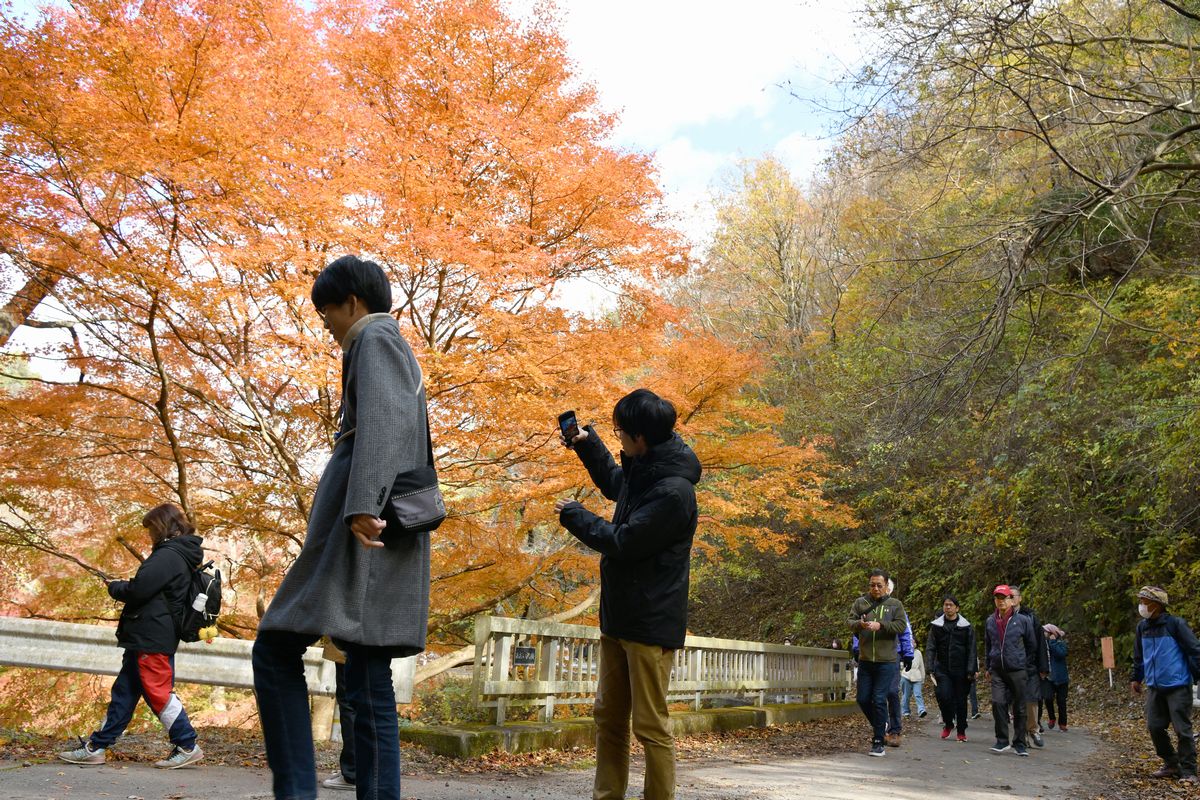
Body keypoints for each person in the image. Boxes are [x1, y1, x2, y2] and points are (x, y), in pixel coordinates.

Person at [252, 255, 431, 800]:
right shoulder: (393, 346)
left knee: (275, 649)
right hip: (375, 538)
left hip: (361, 537)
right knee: (369, 679)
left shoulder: (374, 339)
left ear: (352, 302)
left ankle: (297, 792)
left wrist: (362, 505)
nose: (325, 321)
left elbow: (382, 424)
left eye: (326, 309)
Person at [556, 388, 701, 800]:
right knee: (609, 718)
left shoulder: (674, 492)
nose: (617, 437)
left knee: (650, 725)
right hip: (619, 618)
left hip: (650, 624)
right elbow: (616, 485)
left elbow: (623, 541)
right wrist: (589, 444)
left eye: (620, 432)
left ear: (641, 437)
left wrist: (575, 515)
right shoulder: (646, 467)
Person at [58, 503, 205, 769]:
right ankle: (97, 746)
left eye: (151, 529)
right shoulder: (180, 554)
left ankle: (187, 744)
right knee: (124, 693)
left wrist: (115, 587)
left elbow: (139, 590)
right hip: (147, 636)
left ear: (162, 526)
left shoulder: (168, 555)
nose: (149, 536)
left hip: (151, 637)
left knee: (159, 693)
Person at [1131, 585, 1200, 784]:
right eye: (1141, 601)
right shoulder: (1142, 627)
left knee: (1182, 729)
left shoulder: (1175, 624)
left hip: (1177, 685)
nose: (1142, 605)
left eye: (1145, 601)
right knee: (1154, 726)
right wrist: (1136, 677)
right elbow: (1139, 655)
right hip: (1154, 686)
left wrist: (1197, 675)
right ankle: (1171, 763)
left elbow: (1194, 650)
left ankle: (1189, 771)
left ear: (1158, 605)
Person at [847, 569, 909, 757]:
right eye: (872, 585)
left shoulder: (895, 605)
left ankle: (878, 741)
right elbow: (849, 621)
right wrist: (860, 624)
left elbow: (901, 626)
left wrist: (880, 625)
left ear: (886, 585)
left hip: (887, 661)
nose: (875, 588)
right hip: (866, 660)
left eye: (879, 585)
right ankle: (882, 725)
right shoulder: (860, 603)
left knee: (880, 698)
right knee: (863, 699)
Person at [982, 584, 1037, 757]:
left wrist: (1025, 665)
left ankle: (1019, 743)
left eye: (1004, 598)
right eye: (998, 598)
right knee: (998, 703)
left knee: (1020, 707)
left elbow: (1031, 645)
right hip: (997, 669)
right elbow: (988, 645)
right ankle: (1002, 740)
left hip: (1018, 670)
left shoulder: (1023, 620)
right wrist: (988, 666)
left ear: (1011, 600)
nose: (1001, 601)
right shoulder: (990, 621)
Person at [927, 595, 977, 742]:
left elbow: (972, 649)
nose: (947, 607)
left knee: (961, 701)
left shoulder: (966, 626)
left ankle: (961, 730)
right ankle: (948, 724)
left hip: (961, 670)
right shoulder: (936, 626)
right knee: (943, 696)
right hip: (942, 668)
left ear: (957, 608)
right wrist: (930, 667)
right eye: (945, 605)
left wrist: (971, 670)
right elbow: (931, 647)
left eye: (950, 605)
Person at [1011, 586, 1049, 747]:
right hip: (1012, 665)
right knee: (1016, 701)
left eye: (1013, 596)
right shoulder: (1000, 618)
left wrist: (1043, 666)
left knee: (1031, 699)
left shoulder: (1031, 617)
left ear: (1020, 598)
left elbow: (1040, 642)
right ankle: (1021, 735)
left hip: (1030, 664)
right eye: (1007, 596)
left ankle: (1033, 729)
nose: (1010, 600)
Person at [883, 578, 915, 747]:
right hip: (873, 655)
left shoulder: (896, 607)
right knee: (875, 694)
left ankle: (895, 730)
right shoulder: (866, 605)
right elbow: (860, 627)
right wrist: (858, 648)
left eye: (885, 586)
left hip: (893, 655)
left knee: (892, 692)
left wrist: (908, 654)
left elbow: (905, 631)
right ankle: (881, 728)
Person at [321, 641, 356, 791]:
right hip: (376, 636)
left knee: (349, 703)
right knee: (367, 703)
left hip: (349, 636)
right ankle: (363, 771)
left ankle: (352, 773)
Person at [1043, 624, 1069, 732]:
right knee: (1048, 698)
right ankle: (1052, 718)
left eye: (1045, 631)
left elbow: (1061, 654)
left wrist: (1053, 642)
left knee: (1061, 701)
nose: (1043, 633)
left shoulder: (1060, 643)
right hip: (1049, 677)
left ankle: (1063, 723)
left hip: (1061, 677)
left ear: (1051, 633)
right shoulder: (1044, 645)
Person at [900, 647, 927, 720]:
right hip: (906, 676)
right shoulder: (904, 651)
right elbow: (900, 664)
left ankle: (921, 710)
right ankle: (906, 712)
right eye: (911, 641)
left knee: (918, 694)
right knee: (906, 695)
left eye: (914, 642)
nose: (912, 643)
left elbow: (921, 666)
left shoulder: (918, 652)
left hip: (917, 677)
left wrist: (923, 678)